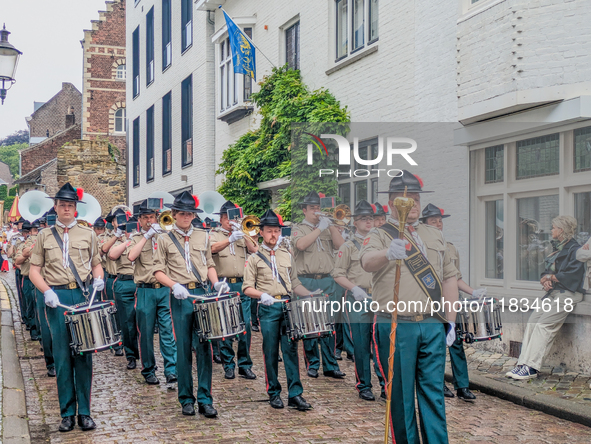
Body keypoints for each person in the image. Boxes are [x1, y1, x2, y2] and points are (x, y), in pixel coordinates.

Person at [360, 171, 459, 444]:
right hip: (396, 323)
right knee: (401, 397)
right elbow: (366, 262)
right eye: (406, 198)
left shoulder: (434, 235)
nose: (412, 204)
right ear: (392, 201)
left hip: (431, 322)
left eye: (416, 198)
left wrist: (450, 321)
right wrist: (387, 253)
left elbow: (450, 277)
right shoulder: (380, 234)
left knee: (433, 393)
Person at [29, 183, 105, 432]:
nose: (66, 209)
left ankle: (85, 411)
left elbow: (96, 264)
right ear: (55, 207)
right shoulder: (43, 235)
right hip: (56, 296)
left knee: (83, 355)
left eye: (70, 205)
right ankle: (67, 413)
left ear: (76, 209)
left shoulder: (88, 234)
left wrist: (99, 280)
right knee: (62, 356)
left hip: (82, 294)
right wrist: (46, 291)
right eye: (62, 205)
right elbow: (33, 271)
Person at [153, 191, 229, 418]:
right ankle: (186, 398)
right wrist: (173, 285)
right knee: (183, 349)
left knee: (205, 347)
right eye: (183, 213)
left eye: (190, 213)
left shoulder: (203, 236)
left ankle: (205, 398)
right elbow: (157, 271)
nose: (187, 217)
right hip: (180, 295)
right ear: (174, 214)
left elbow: (209, 264)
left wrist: (216, 284)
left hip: (202, 292)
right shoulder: (164, 239)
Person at [243, 209, 312, 411]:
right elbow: (247, 287)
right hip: (268, 308)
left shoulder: (286, 255)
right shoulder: (255, 258)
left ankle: (295, 394)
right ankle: (273, 392)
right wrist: (261, 295)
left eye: (276, 231)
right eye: (270, 231)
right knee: (270, 351)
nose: (274, 235)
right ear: (261, 233)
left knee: (291, 351)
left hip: (288, 307)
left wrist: (308, 293)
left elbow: (294, 282)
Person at [506, 215, 586, 380]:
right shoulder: (557, 247)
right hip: (554, 292)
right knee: (533, 321)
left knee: (544, 326)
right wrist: (545, 280)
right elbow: (547, 270)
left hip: (568, 295)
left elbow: (572, 275)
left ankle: (532, 367)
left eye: (553, 227)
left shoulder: (575, 249)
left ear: (561, 230)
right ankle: (523, 363)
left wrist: (550, 278)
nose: (551, 230)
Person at [420, 203, 483, 401]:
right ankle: (439, 383)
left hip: (449, 300)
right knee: (435, 345)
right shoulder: (419, 246)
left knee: (456, 341)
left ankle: (462, 386)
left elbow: (454, 277)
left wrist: (473, 292)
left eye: (440, 221)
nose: (438, 224)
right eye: (433, 221)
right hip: (429, 301)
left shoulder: (451, 248)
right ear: (424, 224)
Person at [333, 200, 385, 401]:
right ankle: (364, 384)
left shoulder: (380, 244)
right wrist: (353, 288)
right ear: (355, 222)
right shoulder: (348, 247)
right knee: (362, 343)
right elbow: (337, 273)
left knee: (381, 342)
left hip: (379, 296)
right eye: (363, 218)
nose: (368, 222)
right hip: (358, 297)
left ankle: (384, 383)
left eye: (370, 218)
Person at [292, 191, 346, 379]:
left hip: (327, 278)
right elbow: (300, 245)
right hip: (307, 278)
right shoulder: (298, 228)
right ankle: (313, 363)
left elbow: (340, 245)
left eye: (318, 208)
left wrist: (330, 227)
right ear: (304, 210)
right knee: (310, 323)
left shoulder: (326, 228)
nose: (317, 211)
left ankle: (330, 364)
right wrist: (319, 229)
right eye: (313, 208)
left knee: (330, 323)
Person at [127, 199, 177, 386]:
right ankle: (148, 369)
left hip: (164, 288)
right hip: (145, 290)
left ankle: (171, 369)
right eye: (146, 218)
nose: (150, 221)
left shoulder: (166, 235)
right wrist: (147, 236)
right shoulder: (136, 237)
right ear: (140, 220)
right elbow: (131, 256)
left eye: (152, 217)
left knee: (167, 331)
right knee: (146, 333)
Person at [210, 201, 258, 380]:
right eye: (230, 218)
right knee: (226, 327)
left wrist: (244, 234)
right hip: (223, 284)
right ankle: (228, 364)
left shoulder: (242, 233)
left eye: (236, 218)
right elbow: (212, 249)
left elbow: (255, 249)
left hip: (242, 283)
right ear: (222, 219)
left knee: (245, 325)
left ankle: (244, 364)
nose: (233, 221)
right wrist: (229, 238)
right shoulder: (214, 234)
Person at [108, 216, 140, 370]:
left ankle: (144, 354)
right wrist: (129, 241)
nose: (131, 231)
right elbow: (112, 255)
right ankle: (131, 355)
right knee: (127, 323)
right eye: (128, 229)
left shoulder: (145, 242)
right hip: (124, 282)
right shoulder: (122, 244)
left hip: (141, 283)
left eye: (134, 228)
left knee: (143, 322)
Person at [14, 220, 40, 341]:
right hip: (29, 278)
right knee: (30, 304)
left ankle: (42, 332)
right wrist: (28, 252)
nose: (37, 233)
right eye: (35, 231)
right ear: (29, 232)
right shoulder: (25, 244)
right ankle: (33, 328)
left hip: (42, 278)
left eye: (38, 230)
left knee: (41, 306)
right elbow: (17, 261)